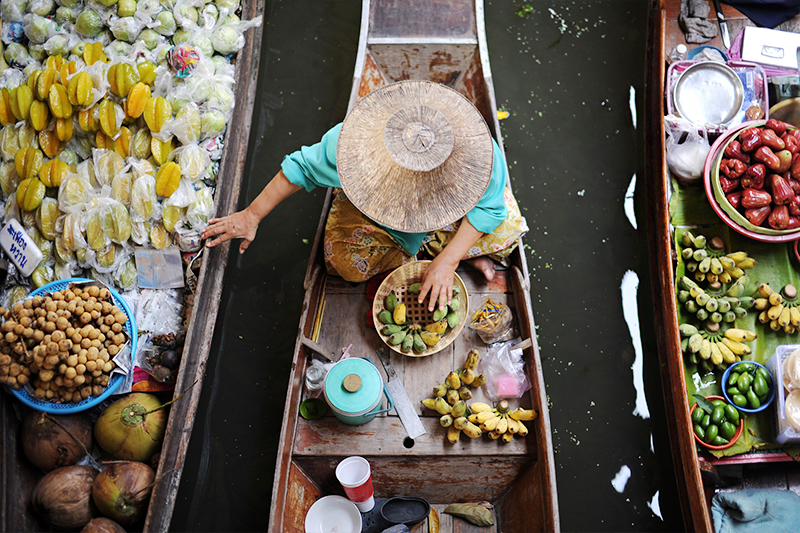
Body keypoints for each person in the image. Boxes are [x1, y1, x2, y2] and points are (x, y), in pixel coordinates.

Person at [202, 80, 527, 312]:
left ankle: (449, 252)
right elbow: (301, 167)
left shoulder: (478, 154)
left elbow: (489, 209)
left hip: (449, 214)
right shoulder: (352, 146)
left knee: (509, 227)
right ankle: (440, 251)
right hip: (382, 214)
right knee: (345, 265)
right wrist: (252, 214)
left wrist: (449, 260)